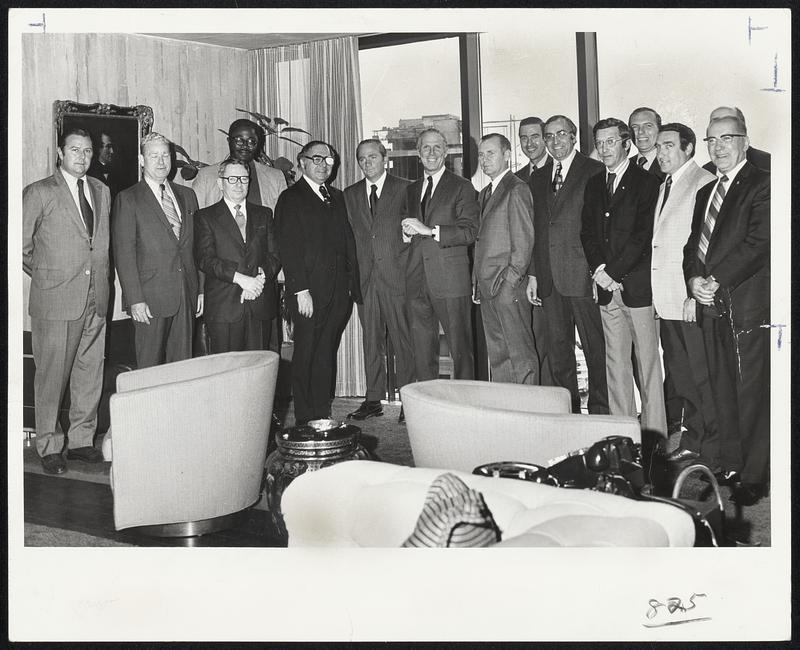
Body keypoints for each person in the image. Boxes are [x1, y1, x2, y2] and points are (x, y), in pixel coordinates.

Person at [683, 114, 770, 506]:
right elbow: (692, 248)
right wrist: (693, 281)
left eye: (726, 138)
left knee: (750, 392)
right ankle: (732, 465)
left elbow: (757, 242)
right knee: (721, 389)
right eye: (711, 140)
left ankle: (755, 475)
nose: (717, 147)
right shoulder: (706, 191)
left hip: (745, 305)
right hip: (710, 304)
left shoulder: (763, 182)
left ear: (744, 141)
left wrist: (714, 279)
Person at [23, 127, 111, 473]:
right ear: (60, 153)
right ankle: (48, 445)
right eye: (75, 150)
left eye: (88, 151)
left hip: (96, 298)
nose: (82, 157)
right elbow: (20, 245)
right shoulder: (40, 192)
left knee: (90, 372)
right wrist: (49, 276)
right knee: (52, 376)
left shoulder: (102, 191)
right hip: (56, 300)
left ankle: (80, 441)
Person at [580, 117, 666, 439]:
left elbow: (643, 236)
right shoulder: (593, 184)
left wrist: (614, 273)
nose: (604, 149)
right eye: (600, 143)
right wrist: (600, 272)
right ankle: (625, 437)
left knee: (648, 366)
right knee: (616, 366)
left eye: (610, 142)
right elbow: (586, 232)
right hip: (606, 288)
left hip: (636, 288)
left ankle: (655, 436)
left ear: (625, 144)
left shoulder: (646, 182)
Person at [526, 115, 608, 414]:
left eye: (562, 134)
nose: (555, 141)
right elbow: (537, 228)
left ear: (574, 137)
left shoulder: (595, 170)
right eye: (549, 136)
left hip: (583, 275)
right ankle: (567, 413)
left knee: (595, 349)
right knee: (559, 352)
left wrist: (598, 272)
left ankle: (601, 411)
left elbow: (600, 227)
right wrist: (534, 273)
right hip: (549, 278)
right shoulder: (537, 176)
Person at [274, 141, 361, 425]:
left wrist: (350, 285)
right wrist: (300, 291)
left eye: (329, 160)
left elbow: (347, 242)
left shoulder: (336, 196)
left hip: (337, 294)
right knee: (306, 354)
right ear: (301, 162)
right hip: (308, 294)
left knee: (325, 353)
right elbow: (288, 247)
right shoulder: (291, 198)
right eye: (317, 159)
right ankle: (304, 418)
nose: (323, 165)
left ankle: (321, 414)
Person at [649, 123, 717, 465]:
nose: (660, 152)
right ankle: (694, 438)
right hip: (667, 298)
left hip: (687, 299)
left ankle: (705, 443)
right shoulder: (668, 183)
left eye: (668, 146)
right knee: (682, 372)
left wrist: (693, 294)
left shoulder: (702, 182)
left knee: (698, 375)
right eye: (659, 147)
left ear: (689, 149)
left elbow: (704, 247)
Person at [112, 132, 203, 368]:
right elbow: (124, 253)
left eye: (166, 155)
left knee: (183, 365)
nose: (161, 161)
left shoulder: (187, 195)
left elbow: (197, 247)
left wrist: (200, 289)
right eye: (154, 156)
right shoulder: (128, 199)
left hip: (186, 293)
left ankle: (178, 407)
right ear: (142, 160)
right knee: (149, 366)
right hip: (149, 299)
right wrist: (135, 299)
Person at [343, 139, 414, 422]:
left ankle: (409, 401)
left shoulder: (406, 188)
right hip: (366, 280)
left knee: (403, 341)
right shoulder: (349, 194)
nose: (367, 162)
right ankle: (373, 400)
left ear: (385, 158)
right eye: (362, 158)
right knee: (371, 342)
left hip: (398, 278)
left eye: (372, 157)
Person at [402, 128, 479, 381]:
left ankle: (466, 408)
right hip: (417, 279)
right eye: (426, 147)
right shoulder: (411, 190)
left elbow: (469, 232)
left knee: (461, 351)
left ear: (445, 152)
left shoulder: (462, 187)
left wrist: (430, 230)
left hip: (450, 280)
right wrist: (405, 234)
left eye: (437, 147)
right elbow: (407, 230)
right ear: (418, 153)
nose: (431, 153)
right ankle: (427, 405)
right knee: (422, 351)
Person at [194, 158, 280, 353]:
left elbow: (274, 254)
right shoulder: (205, 217)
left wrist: (258, 280)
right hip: (225, 308)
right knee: (227, 373)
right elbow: (205, 259)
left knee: (258, 373)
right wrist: (242, 280)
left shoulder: (264, 214)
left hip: (259, 303)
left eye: (243, 178)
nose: (239, 184)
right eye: (232, 179)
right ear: (220, 183)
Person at [473, 133, 538, 384]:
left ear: (507, 155)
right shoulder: (485, 193)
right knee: (499, 355)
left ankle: (529, 416)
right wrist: (477, 284)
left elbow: (524, 241)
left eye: (490, 153)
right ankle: (508, 412)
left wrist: (510, 282)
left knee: (520, 355)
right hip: (488, 286)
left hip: (507, 287)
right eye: (481, 154)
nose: (484, 159)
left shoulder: (517, 188)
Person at [191, 118, 288, 212]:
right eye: (239, 140)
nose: (245, 146)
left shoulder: (275, 177)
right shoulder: (206, 176)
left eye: (251, 141)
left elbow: (283, 220)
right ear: (229, 141)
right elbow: (195, 217)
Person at [702, 106, 770, 173]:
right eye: (715, 121)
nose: (720, 125)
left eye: (729, 120)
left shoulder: (767, 162)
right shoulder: (706, 171)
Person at [628, 107, 665, 180]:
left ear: (659, 130)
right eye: (635, 127)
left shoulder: (670, 163)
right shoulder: (625, 165)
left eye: (648, 126)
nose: (641, 131)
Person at [514, 116, 551, 183]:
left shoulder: (559, 170)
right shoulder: (516, 178)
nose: (529, 144)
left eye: (534, 137)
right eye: (524, 138)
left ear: (545, 139)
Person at [87, 130, 120, 199]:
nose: (112, 151)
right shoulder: (88, 173)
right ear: (99, 149)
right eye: (108, 147)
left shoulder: (117, 174)